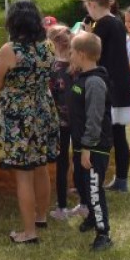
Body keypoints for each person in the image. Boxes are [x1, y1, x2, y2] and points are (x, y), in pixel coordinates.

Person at [0, 0, 57, 245]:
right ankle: (41, 217)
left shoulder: (10, 50)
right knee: (41, 165)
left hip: (18, 113)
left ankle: (29, 233)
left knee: (23, 173)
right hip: (43, 108)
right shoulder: (48, 46)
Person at [83, 0, 130, 192]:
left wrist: (87, 33)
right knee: (118, 135)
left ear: (93, 5)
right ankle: (121, 179)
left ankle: (104, 179)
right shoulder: (115, 22)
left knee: (109, 136)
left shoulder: (103, 24)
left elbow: (91, 52)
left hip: (110, 86)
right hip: (119, 84)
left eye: (87, 6)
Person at [68, 31, 114, 252]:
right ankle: (92, 219)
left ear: (82, 54)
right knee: (82, 184)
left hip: (94, 147)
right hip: (82, 145)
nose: (70, 55)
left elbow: (95, 117)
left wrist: (88, 147)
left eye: (72, 51)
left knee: (94, 189)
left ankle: (103, 234)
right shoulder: (82, 77)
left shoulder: (95, 82)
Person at [46, 24, 84, 221]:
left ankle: (61, 207)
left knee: (62, 165)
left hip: (59, 123)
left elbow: (48, 95)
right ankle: (84, 204)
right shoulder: (78, 66)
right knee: (80, 160)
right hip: (79, 120)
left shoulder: (52, 68)